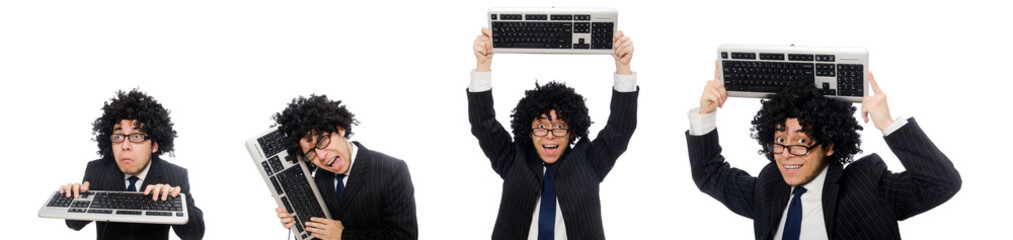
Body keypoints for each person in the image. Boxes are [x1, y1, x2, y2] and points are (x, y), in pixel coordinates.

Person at [686, 63, 962, 239]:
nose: (786, 153)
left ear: (829, 145)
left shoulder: (867, 185)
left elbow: (942, 183)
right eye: (780, 139)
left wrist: (888, 124)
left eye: (801, 141)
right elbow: (709, 174)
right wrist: (706, 112)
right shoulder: (769, 187)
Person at [468, 27, 637, 240]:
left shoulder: (590, 161)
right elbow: (483, 123)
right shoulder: (512, 159)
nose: (549, 135)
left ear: (572, 131)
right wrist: (483, 64)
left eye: (559, 127)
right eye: (541, 126)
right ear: (529, 131)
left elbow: (620, 128)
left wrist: (623, 66)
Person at [57, 89, 205, 240]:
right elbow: (74, 224)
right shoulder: (97, 170)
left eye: (137, 136)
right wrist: (74, 199)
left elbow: (195, 235)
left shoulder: (175, 175)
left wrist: (175, 202)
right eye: (118, 136)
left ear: (154, 145)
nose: (125, 146)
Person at [272, 95, 417, 240]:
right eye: (310, 153)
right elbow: (322, 232)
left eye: (322, 141)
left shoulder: (392, 171)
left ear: (340, 129)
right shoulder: (320, 178)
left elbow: (404, 237)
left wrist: (343, 235)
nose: (321, 155)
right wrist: (299, 222)